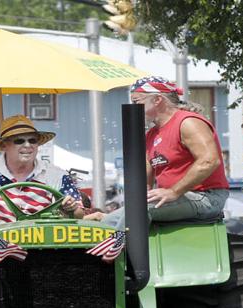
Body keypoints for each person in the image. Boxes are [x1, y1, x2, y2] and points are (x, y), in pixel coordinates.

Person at [86, 76, 230, 229]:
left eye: (136, 101)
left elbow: (209, 160)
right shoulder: (151, 134)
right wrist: (112, 213)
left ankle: (120, 245)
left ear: (157, 100)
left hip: (206, 197)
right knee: (107, 222)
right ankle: (108, 241)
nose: (134, 107)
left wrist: (173, 191)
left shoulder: (188, 122)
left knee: (137, 212)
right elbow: (144, 182)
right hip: (177, 198)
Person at [0, 114, 84, 224]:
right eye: (19, 141)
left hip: (42, 234)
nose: (27, 145)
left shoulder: (57, 175)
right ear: (4, 145)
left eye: (32, 140)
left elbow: (79, 214)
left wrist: (71, 208)